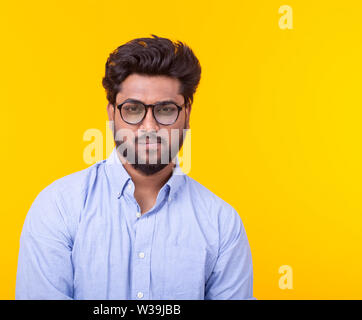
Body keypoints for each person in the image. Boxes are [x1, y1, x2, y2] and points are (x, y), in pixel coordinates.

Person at [15, 34, 255, 300]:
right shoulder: (58, 208)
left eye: (165, 110)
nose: (150, 127)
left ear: (187, 114)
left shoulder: (222, 225)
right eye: (133, 109)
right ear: (111, 113)